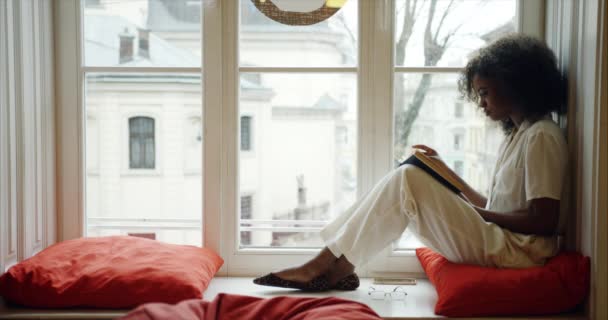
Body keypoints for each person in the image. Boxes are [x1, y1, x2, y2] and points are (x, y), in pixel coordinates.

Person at [253, 34, 568, 291]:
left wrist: (476, 213)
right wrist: (445, 173)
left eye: (485, 93)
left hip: (517, 253)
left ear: (515, 83)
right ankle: (337, 268)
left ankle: (323, 265)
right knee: (409, 176)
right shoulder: (518, 136)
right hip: (502, 241)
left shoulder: (542, 136)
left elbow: (543, 221)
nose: (481, 103)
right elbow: (500, 206)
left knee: (407, 179)